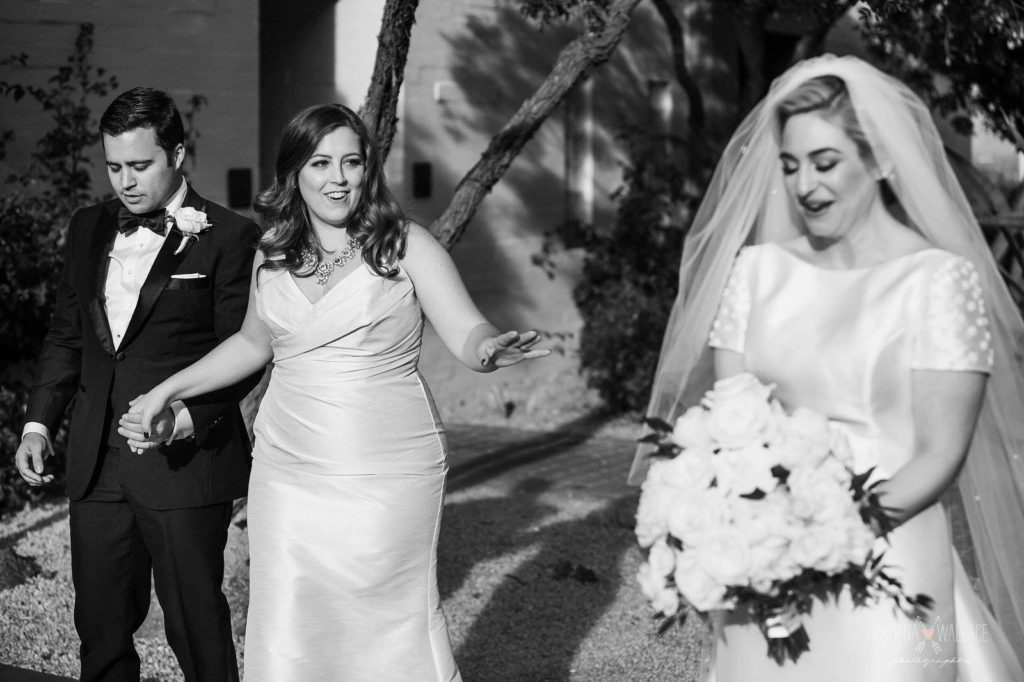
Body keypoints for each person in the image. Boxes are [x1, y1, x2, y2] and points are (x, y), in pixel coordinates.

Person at [630, 55, 1024, 681]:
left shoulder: (938, 281)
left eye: (825, 163)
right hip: (761, 567)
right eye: (789, 166)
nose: (803, 186)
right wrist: (741, 530)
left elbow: (938, 456)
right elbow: (728, 425)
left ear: (881, 161)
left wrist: (820, 532)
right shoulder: (755, 273)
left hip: (888, 563)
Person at [128, 103, 550, 681]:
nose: (339, 177)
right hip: (287, 468)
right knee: (290, 613)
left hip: (387, 468)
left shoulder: (405, 245)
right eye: (321, 162)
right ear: (295, 173)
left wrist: (487, 350)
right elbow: (253, 345)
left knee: (386, 616)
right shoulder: (271, 254)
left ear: (368, 168)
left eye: (351, 161)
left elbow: (465, 331)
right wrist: (168, 390)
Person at [15, 87, 260, 681]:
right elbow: (68, 335)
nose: (125, 181)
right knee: (99, 625)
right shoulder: (87, 227)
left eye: (140, 165)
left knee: (195, 623)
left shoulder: (229, 236)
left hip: (184, 463)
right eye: (115, 166)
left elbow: (245, 352)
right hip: (96, 462)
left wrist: (187, 419)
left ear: (178, 154)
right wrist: (38, 422)